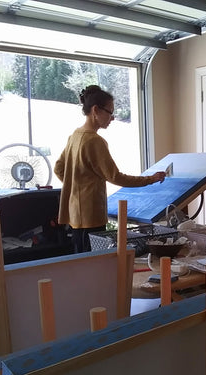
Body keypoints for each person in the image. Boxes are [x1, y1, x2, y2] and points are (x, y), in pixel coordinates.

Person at [54, 85, 166, 253]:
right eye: (110, 112)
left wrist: (77, 186)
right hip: (91, 214)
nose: (112, 118)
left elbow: (58, 168)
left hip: (75, 213)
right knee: (93, 264)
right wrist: (151, 179)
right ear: (95, 110)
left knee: (80, 260)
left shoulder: (75, 136)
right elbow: (115, 177)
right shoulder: (94, 141)